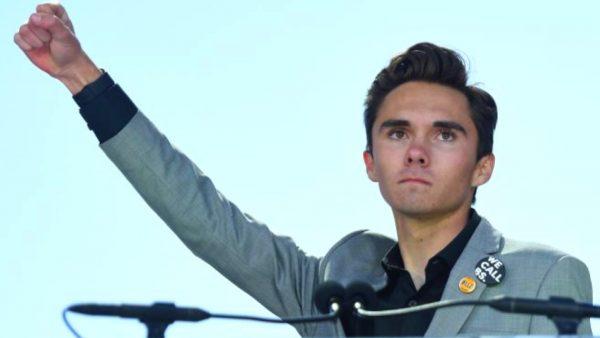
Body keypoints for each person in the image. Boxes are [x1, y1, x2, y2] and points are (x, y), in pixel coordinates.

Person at [14, 3, 593, 337]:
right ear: (371, 163)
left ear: (483, 167)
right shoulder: (335, 291)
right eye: (397, 133)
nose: (417, 151)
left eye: (445, 134)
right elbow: (205, 221)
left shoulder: (544, 279)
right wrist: (82, 80)